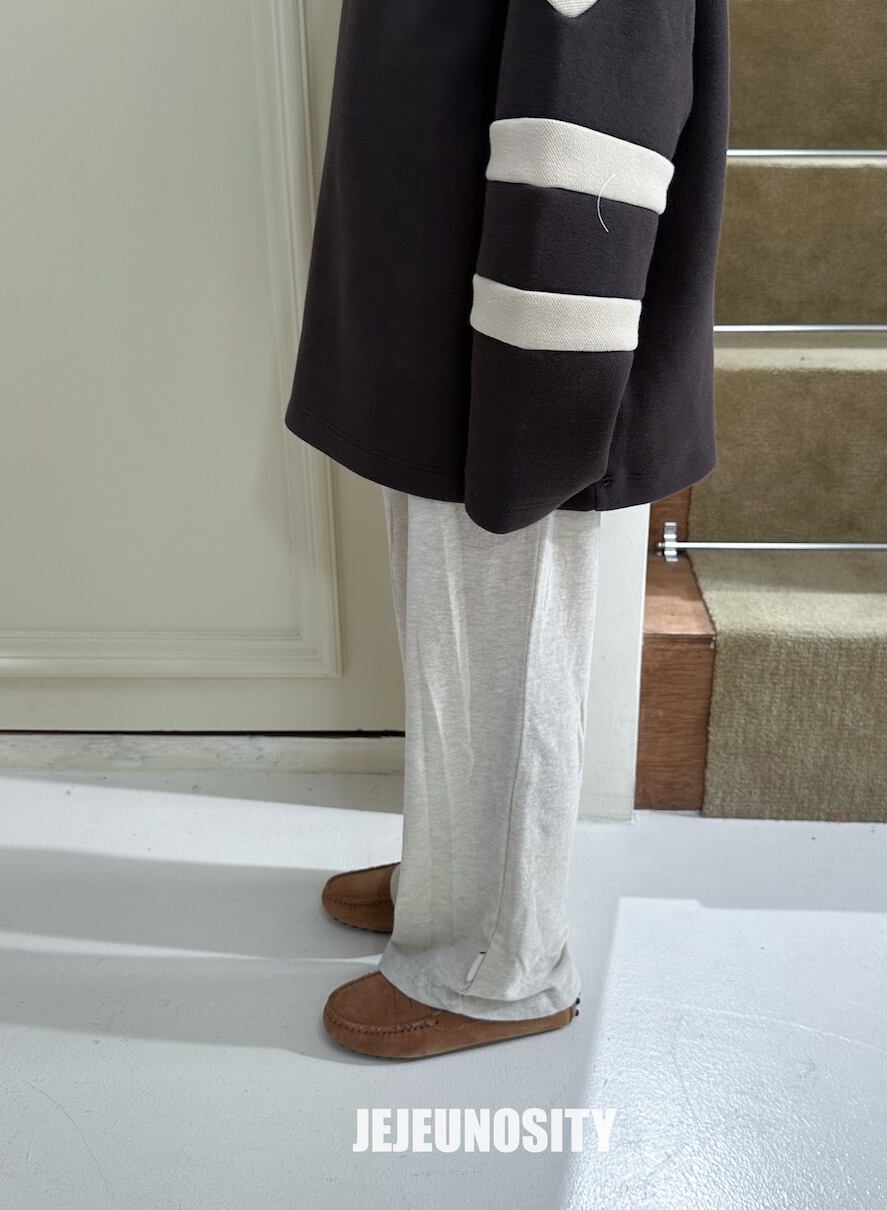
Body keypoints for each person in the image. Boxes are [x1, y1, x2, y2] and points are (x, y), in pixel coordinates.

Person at [285, 0, 729, 1059]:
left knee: (504, 632)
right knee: (457, 634)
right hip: (443, 284)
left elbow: (593, 81)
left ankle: (496, 963)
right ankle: (456, 879)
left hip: (509, 334)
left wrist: (539, 399)